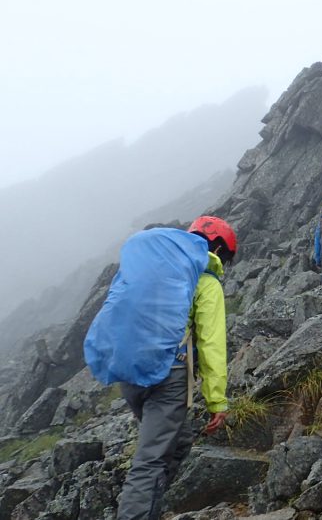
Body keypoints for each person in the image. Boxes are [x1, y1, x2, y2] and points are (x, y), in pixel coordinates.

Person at [116, 216, 235, 520]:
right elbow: (211, 345)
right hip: (169, 374)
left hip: (130, 371)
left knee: (178, 441)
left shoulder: (154, 268)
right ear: (218, 250)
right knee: (150, 462)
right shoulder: (206, 281)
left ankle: (151, 504)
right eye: (228, 258)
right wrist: (217, 400)